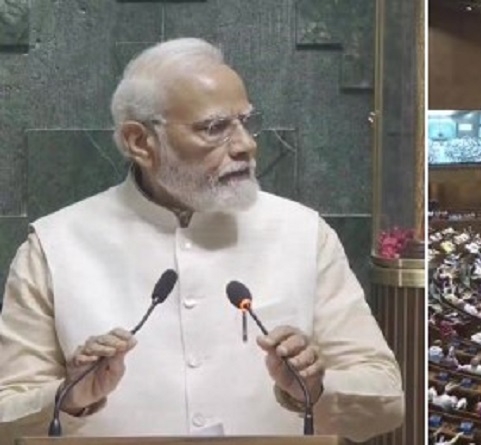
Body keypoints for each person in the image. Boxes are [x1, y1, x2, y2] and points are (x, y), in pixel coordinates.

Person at [0, 38, 403, 441]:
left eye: (245, 121)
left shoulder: (303, 233)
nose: (246, 145)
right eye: (214, 128)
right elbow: (6, 413)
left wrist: (314, 389)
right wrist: (70, 399)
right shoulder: (54, 246)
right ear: (140, 142)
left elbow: (386, 402)